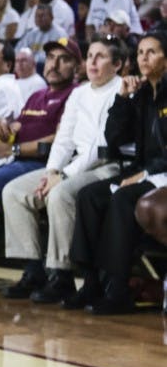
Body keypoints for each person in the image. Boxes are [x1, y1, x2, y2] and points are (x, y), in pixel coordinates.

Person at [2, 35, 123, 303]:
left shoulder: (121, 88)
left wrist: (63, 177)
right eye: (90, 55)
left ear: (117, 65)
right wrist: (51, 172)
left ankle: (62, 274)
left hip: (105, 166)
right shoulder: (79, 93)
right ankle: (33, 269)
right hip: (71, 165)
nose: (93, 61)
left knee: (60, 194)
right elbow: (64, 139)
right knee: (14, 191)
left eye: (100, 56)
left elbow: (97, 146)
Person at [67, 32, 167, 314]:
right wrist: (123, 99)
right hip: (143, 171)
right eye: (140, 53)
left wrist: (145, 173)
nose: (143, 58)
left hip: (161, 173)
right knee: (89, 196)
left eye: (152, 52)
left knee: (122, 198)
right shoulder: (142, 94)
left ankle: (118, 286)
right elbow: (113, 138)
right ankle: (90, 281)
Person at [0, 38, 80, 205]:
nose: (54, 65)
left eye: (64, 60)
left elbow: (60, 140)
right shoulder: (37, 95)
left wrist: (13, 149)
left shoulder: (75, 95)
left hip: (38, 161)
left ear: (77, 67)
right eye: (51, 58)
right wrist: (1, 125)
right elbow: (17, 125)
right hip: (13, 156)